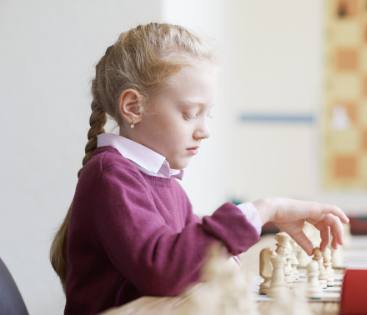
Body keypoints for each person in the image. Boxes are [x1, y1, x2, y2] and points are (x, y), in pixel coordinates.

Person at [49, 23, 348, 314]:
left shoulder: (165, 182)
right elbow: (162, 269)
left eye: (208, 115)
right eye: (191, 114)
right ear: (133, 107)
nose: (204, 130)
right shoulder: (111, 177)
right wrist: (266, 209)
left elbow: (193, 257)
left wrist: (222, 259)